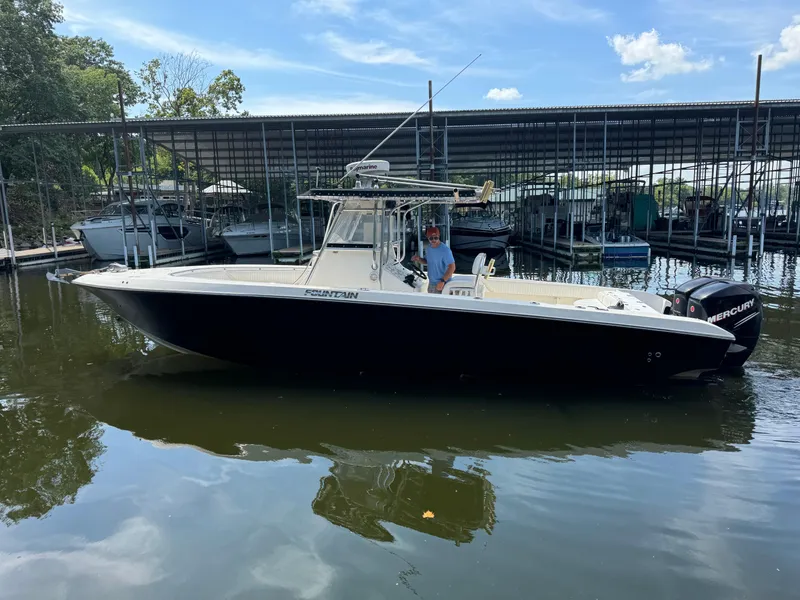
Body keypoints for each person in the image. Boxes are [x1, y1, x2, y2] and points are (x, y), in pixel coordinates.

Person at [411, 226, 455, 294]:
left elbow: (452, 267)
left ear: (439, 236)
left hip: (443, 285)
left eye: (436, 238)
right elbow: (427, 261)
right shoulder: (428, 249)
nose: (433, 240)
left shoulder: (445, 250)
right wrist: (418, 259)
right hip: (432, 283)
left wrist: (442, 281)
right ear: (427, 237)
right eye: (431, 238)